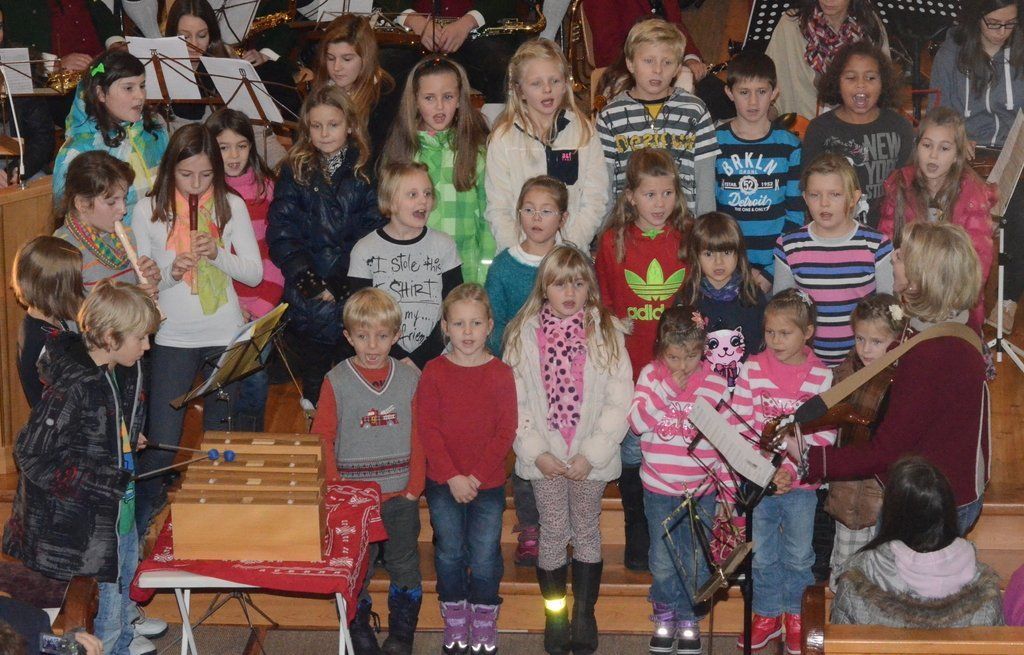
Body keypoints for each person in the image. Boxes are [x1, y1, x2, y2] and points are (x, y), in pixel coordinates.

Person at [785, 222, 991, 536]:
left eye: (902, 256)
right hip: (947, 488)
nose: (892, 257)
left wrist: (812, 459)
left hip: (928, 506)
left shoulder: (931, 356)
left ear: (920, 279)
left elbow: (886, 451)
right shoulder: (951, 322)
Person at [3, 280, 161, 655]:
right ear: (109, 338)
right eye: (140, 338)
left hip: (117, 515)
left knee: (121, 601)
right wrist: (103, 482)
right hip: (85, 529)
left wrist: (124, 438)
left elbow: (96, 429)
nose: (147, 346)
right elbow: (32, 454)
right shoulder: (74, 385)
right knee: (104, 619)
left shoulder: (112, 369)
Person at [132, 123, 263, 538]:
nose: (196, 183)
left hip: (224, 333)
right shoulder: (147, 210)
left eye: (206, 175)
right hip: (173, 336)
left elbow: (254, 274)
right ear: (171, 168)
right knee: (162, 441)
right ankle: (138, 529)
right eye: (186, 174)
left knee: (222, 438)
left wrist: (218, 254)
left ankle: (220, 528)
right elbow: (145, 285)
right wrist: (171, 272)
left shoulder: (230, 204)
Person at [505, 244, 633, 655]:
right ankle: (556, 613)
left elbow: (619, 400)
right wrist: (536, 452)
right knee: (554, 532)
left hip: (588, 458)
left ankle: (583, 614)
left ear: (589, 288)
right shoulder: (522, 336)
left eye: (578, 284)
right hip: (544, 457)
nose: (570, 292)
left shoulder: (607, 333)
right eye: (560, 284)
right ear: (544, 288)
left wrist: (590, 454)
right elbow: (516, 403)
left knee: (587, 531)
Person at [594, 148, 693, 571]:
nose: (659, 203)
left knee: (672, 449)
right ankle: (637, 529)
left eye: (667, 193)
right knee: (633, 451)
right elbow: (602, 301)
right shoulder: (611, 242)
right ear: (631, 196)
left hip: (679, 370)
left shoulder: (687, 239)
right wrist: (613, 323)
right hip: (631, 370)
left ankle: (673, 533)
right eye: (650, 194)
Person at [311, 288, 424, 655]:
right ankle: (358, 629)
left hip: (399, 495)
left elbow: (420, 434)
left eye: (381, 336)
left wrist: (414, 486)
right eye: (362, 336)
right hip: (354, 499)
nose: (372, 345)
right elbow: (323, 438)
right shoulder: (336, 380)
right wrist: (336, 488)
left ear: (396, 335)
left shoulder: (409, 379)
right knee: (357, 567)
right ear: (348, 337)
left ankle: (402, 632)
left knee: (404, 563)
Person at [726, 289, 836, 655]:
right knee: (763, 554)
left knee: (799, 555)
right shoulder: (753, 368)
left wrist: (791, 470)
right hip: (761, 483)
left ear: (808, 333)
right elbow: (741, 425)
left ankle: (795, 614)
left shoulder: (821, 376)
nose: (775, 340)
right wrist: (767, 471)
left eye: (785, 333)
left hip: (801, 486)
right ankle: (767, 613)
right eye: (770, 332)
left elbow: (824, 434)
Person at [415, 284, 517, 655]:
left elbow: (506, 430)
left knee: (485, 553)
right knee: (449, 552)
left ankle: (484, 614)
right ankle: (455, 613)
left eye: (475, 323)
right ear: (445, 327)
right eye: (459, 324)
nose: (468, 331)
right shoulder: (434, 371)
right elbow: (427, 427)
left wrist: (474, 477)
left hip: (486, 483)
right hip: (444, 482)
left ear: (490, 326)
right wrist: (453, 476)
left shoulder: (501, 373)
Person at [267, 85, 384, 405]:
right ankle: (315, 418)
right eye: (316, 126)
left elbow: (371, 232)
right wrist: (309, 282)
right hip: (309, 292)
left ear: (350, 125)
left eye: (333, 125)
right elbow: (281, 231)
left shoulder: (365, 170)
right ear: (307, 129)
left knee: (354, 373)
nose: (324, 133)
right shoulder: (294, 169)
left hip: (351, 289)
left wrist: (339, 282)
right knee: (314, 380)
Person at [627, 306, 732, 655]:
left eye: (691, 357)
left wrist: (726, 491)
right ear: (661, 349)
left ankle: (688, 618)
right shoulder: (651, 376)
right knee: (662, 560)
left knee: (696, 557)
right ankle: (664, 615)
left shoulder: (715, 383)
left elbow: (724, 440)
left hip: (700, 489)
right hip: (659, 487)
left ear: (703, 350)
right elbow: (637, 423)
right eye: (673, 357)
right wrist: (668, 389)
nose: (682, 366)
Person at [484, 175, 567, 568]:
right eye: (529, 210)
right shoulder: (504, 265)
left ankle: (561, 524)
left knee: (561, 447)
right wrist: (513, 362)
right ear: (518, 214)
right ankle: (531, 527)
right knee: (527, 450)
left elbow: (588, 311)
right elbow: (494, 323)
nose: (536, 218)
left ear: (562, 218)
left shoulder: (570, 261)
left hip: (566, 379)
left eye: (546, 211)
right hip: (519, 377)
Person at [932, 0, 1024, 330]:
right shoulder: (952, 51)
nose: (1002, 32)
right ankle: (959, 297)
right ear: (976, 17)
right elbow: (937, 113)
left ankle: (1008, 299)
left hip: (1014, 150)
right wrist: (956, 135)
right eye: (994, 24)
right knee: (962, 208)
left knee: (1019, 207)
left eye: (1010, 24)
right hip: (969, 152)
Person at [830, 457, 1003, 627]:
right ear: (949, 511)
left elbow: (841, 640)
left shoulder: (858, 578)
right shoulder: (984, 588)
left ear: (892, 513)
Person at [486, 39, 609, 251]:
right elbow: (498, 208)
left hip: (570, 252)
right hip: (519, 253)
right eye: (536, 83)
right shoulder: (503, 139)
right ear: (519, 90)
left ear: (566, 84)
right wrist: (521, 254)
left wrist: (570, 247)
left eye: (555, 81)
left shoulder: (584, 133)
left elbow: (596, 199)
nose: (547, 89)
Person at [879, 108, 997, 328]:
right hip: (907, 294)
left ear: (957, 155)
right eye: (927, 145)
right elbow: (885, 244)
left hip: (954, 300)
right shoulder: (900, 185)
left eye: (944, 148)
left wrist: (946, 296)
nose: (933, 155)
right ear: (917, 147)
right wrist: (903, 280)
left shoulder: (972, 193)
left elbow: (978, 260)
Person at [774, 153, 894, 366]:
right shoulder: (788, 246)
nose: (824, 203)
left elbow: (888, 314)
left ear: (854, 198)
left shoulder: (877, 245)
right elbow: (782, 315)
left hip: (861, 362)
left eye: (835, 194)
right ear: (804, 198)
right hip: (806, 364)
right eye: (815, 195)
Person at [381, 56, 494, 284]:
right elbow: (391, 221)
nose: (440, 106)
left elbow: (488, 220)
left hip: (466, 272)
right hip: (413, 273)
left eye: (448, 97)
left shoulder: (477, 152)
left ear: (460, 99)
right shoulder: (402, 152)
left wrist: (484, 277)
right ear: (415, 100)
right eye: (429, 98)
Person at [207, 108, 284, 432]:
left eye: (241, 146)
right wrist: (230, 303)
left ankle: (248, 441)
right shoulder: (206, 193)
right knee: (221, 381)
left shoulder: (268, 190)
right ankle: (222, 443)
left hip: (262, 303)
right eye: (223, 147)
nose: (234, 155)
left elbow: (275, 255)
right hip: (222, 302)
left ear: (251, 146)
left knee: (254, 378)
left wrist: (263, 306)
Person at [596, 19, 719, 215]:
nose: (658, 70)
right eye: (648, 61)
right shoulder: (610, 115)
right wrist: (607, 230)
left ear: (678, 68)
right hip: (629, 225)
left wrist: (705, 227)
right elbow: (604, 183)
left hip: (682, 224)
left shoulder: (695, 111)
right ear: (630, 63)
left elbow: (705, 180)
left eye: (667, 62)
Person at [348, 162, 463, 370]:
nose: (423, 200)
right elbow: (361, 316)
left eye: (427, 193)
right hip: (382, 358)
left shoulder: (444, 245)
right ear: (390, 201)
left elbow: (455, 308)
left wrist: (421, 357)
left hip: (437, 357)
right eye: (413, 194)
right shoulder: (364, 250)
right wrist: (396, 357)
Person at [825, 293, 906, 587]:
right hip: (847, 492)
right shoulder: (843, 374)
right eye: (860, 339)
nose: (866, 349)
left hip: (883, 494)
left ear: (896, 340)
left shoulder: (904, 379)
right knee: (846, 572)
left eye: (876, 342)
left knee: (884, 574)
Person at [801, 42, 913, 227]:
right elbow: (808, 189)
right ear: (837, 82)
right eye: (851, 78)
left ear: (883, 82)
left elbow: (910, 189)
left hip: (889, 232)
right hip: (835, 232)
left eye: (870, 78)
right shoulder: (820, 129)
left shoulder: (900, 127)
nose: (861, 85)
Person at [715, 52, 804, 286]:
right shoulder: (715, 143)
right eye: (744, 92)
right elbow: (709, 214)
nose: (753, 102)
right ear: (729, 93)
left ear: (774, 93)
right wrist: (727, 266)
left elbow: (796, 215)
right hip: (724, 268)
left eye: (761, 92)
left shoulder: (790, 146)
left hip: (777, 267)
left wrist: (771, 271)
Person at [163, 0, 287, 167]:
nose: (194, 44)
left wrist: (285, 168)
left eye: (202, 35)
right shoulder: (158, 65)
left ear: (212, 36)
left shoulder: (225, 59)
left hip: (224, 164)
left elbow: (257, 130)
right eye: (185, 37)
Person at [53, 50, 169, 224]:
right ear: (101, 93)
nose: (140, 96)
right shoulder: (78, 150)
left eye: (142, 86)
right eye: (128, 88)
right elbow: (69, 215)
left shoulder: (154, 130)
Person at [580, 0, 735, 120]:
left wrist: (690, 57)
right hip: (631, 72)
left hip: (668, 64)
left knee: (729, 99)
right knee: (707, 107)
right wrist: (652, 63)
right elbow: (608, 48)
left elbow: (675, 25)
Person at [676, 212, 767, 388]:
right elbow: (677, 348)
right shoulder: (687, 298)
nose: (719, 262)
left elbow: (763, 348)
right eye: (709, 254)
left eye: (726, 252)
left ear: (738, 253)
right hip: (700, 390)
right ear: (696, 255)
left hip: (745, 390)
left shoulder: (752, 296)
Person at [375, 0, 528, 103]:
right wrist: (412, 19)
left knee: (502, 68)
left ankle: (497, 136)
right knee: (383, 71)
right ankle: (387, 139)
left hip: (475, 35)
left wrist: (469, 21)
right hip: (413, 36)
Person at [54, 151, 161, 296]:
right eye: (111, 202)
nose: (123, 210)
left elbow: (134, 289)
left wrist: (148, 283)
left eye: (124, 198)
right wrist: (131, 301)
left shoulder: (127, 234)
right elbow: (66, 308)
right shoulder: (62, 251)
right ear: (82, 204)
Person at [765, 0, 890, 121]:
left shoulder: (870, 25)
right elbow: (769, 90)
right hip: (800, 128)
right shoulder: (790, 25)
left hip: (858, 126)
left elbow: (886, 90)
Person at [311, 14, 397, 165]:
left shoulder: (384, 96)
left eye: (347, 59)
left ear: (366, 58)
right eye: (330, 58)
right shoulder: (323, 89)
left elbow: (374, 156)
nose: (336, 68)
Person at [12, 237, 85, 408]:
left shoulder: (48, 320)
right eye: (76, 281)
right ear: (57, 288)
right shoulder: (47, 343)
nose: (81, 286)